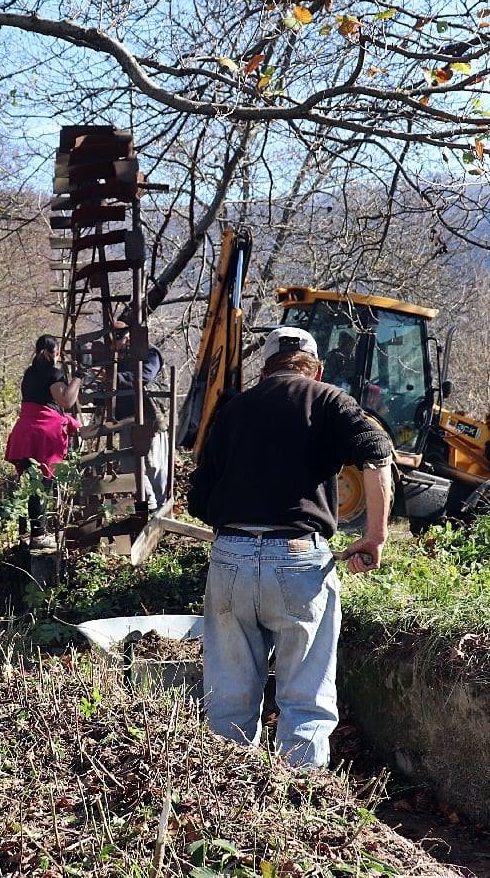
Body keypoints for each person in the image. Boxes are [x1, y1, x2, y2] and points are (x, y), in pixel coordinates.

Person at [187, 326, 395, 768]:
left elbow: (199, 500)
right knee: (305, 700)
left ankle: (225, 801)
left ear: (264, 371)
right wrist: (375, 536)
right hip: (300, 561)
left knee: (228, 702)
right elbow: (377, 453)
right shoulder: (329, 400)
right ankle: (297, 809)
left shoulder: (233, 410)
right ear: (316, 368)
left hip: (231, 559)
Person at [4, 334, 81, 541]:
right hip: (42, 435)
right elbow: (65, 401)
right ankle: (38, 533)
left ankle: (25, 533)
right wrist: (78, 377)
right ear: (55, 352)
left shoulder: (30, 373)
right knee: (42, 484)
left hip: (24, 432)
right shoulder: (53, 373)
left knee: (29, 483)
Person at [111, 320, 170, 513]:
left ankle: (160, 510)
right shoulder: (117, 359)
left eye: (116, 339)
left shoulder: (150, 354)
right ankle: (149, 506)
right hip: (127, 420)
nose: (114, 345)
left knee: (153, 466)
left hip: (151, 419)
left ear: (127, 338)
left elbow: (144, 376)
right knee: (130, 465)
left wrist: (115, 378)